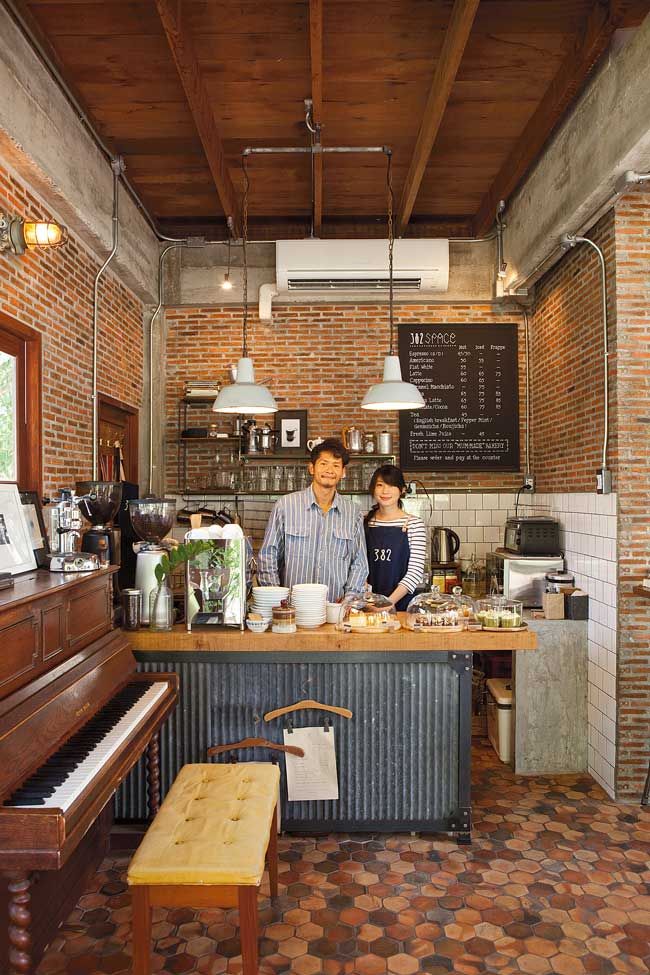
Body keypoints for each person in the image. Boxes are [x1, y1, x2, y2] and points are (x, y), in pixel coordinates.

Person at [258, 437, 369, 602]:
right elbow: (268, 555)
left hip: (335, 610)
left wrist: (348, 602)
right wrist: (277, 601)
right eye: (324, 463)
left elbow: (359, 563)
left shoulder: (353, 513)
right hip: (291, 610)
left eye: (336, 465)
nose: (329, 470)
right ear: (311, 468)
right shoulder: (286, 505)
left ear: (343, 472)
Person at [364, 464, 426, 610]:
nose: (385, 491)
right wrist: (368, 598)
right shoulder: (363, 522)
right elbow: (357, 566)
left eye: (391, 486)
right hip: (368, 604)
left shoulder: (414, 524)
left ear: (402, 490)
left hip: (403, 606)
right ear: (373, 488)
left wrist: (387, 603)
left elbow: (415, 573)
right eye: (380, 485)